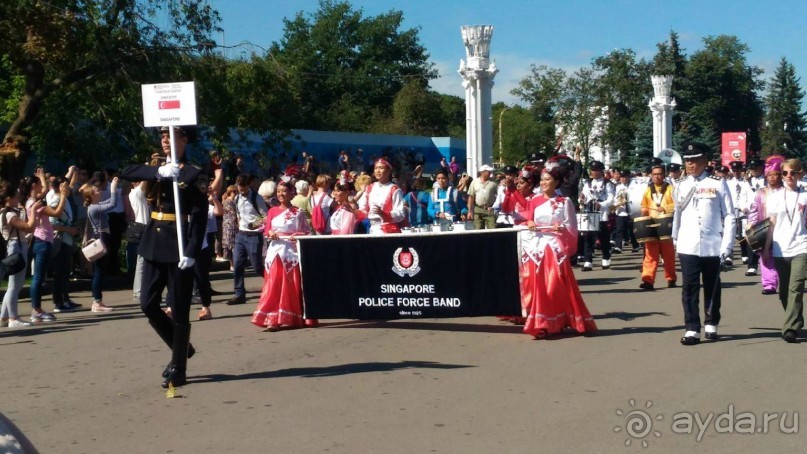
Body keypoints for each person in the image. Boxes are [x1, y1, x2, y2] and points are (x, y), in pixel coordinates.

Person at [120, 125, 208, 388]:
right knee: (147, 303)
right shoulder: (156, 167)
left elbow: (199, 216)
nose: (164, 141)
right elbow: (126, 172)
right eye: (161, 137)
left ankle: (178, 368)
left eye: (169, 136)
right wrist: (158, 171)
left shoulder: (194, 172)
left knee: (180, 309)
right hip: (154, 242)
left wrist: (191, 251)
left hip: (178, 244)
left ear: (183, 139)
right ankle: (181, 348)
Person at [521, 162, 597, 339]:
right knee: (538, 287)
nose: (543, 183)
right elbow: (529, 220)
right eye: (541, 180)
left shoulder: (564, 202)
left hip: (555, 247)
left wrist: (560, 227)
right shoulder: (534, 200)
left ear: (556, 182)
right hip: (537, 247)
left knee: (555, 286)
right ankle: (542, 323)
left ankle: (559, 319)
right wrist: (530, 223)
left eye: (547, 179)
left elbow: (571, 227)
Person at [671, 143, 735, 346]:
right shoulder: (680, 184)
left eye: (694, 160)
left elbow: (730, 215)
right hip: (688, 243)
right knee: (689, 287)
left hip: (712, 243)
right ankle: (691, 328)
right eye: (687, 160)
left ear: (704, 161)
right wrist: (675, 240)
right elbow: (677, 215)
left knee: (712, 285)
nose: (689, 164)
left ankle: (711, 322)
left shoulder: (717, 183)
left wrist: (727, 245)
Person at [251, 180, 313, 330]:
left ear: (292, 193)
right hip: (275, 252)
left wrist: (296, 235)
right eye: (278, 191)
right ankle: (271, 318)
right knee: (273, 284)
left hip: (290, 253)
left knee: (288, 286)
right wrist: (270, 232)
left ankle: (289, 316)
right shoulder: (272, 211)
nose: (281, 194)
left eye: (284, 191)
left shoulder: (297, 212)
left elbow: (306, 231)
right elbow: (267, 229)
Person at [762, 158, 806, 343]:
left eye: (793, 173)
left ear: (800, 173)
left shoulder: (805, 193)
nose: (789, 176)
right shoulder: (775, 196)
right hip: (780, 248)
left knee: (796, 288)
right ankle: (796, 319)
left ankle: (789, 328)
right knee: (784, 292)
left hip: (801, 246)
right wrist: (766, 248)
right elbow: (771, 223)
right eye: (785, 173)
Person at [23, 169, 70, 322]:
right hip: (43, 240)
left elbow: (43, 191)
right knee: (38, 278)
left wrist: (42, 177)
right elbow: (56, 212)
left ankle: (36, 309)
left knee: (38, 276)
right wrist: (63, 196)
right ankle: (36, 310)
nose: (41, 188)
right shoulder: (37, 204)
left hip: (39, 240)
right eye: (38, 185)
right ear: (33, 186)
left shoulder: (30, 201)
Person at [80, 176, 123, 313]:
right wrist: (114, 187)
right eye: (96, 191)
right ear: (91, 196)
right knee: (99, 271)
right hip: (101, 237)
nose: (99, 192)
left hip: (104, 236)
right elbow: (113, 204)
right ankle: (96, 301)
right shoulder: (94, 208)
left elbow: (110, 202)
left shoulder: (96, 206)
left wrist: (113, 190)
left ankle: (98, 300)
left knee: (100, 270)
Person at [0, 182, 39, 328]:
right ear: (8, 198)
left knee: (14, 285)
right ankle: (13, 318)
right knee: (14, 286)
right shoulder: (9, 214)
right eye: (16, 197)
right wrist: (34, 210)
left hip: (15, 246)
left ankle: (4, 317)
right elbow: (29, 228)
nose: (18, 199)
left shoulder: (7, 212)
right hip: (16, 247)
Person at [227, 174, 269, 305]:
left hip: (254, 235)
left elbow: (266, 216)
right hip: (241, 234)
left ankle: (272, 282)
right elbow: (239, 214)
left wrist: (255, 224)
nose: (243, 192)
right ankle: (239, 293)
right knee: (237, 264)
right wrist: (239, 226)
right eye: (240, 189)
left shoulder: (257, 198)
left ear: (248, 186)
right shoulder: (237, 198)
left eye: (245, 189)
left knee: (256, 266)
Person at [748, 155, 784, 295]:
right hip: (764, 228)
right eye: (769, 175)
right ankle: (769, 284)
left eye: (775, 175)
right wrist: (751, 224)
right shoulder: (761, 192)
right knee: (765, 255)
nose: (772, 178)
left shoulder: (786, 192)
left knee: (782, 256)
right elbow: (754, 210)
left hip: (782, 229)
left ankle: (784, 281)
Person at [639, 162, 677, 290]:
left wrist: (665, 208)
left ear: (664, 175)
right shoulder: (648, 190)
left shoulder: (671, 189)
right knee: (650, 254)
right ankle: (648, 280)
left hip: (666, 225)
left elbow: (677, 204)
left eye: (660, 174)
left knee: (668, 255)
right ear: (651, 175)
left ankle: (671, 278)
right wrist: (644, 211)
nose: (657, 177)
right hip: (651, 226)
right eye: (654, 174)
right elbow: (644, 205)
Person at [579, 160, 615, 271]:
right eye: (593, 170)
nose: (595, 172)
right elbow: (583, 195)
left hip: (601, 212)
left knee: (603, 236)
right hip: (589, 211)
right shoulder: (587, 183)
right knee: (588, 236)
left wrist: (602, 204)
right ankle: (588, 260)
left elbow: (611, 199)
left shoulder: (607, 183)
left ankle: (605, 257)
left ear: (601, 171)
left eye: (597, 170)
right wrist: (581, 198)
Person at [357, 158, 406, 234]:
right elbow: (364, 210)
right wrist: (354, 211)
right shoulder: (370, 188)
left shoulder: (394, 189)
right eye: (376, 168)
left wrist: (383, 213)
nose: (378, 171)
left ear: (389, 171)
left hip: (388, 230)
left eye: (381, 168)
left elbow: (400, 213)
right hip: (372, 229)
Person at [727, 161, 755, 269]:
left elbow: (750, 196)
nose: (736, 173)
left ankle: (746, 254)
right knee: (730, 233)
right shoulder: (728, 183)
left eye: (738, 170)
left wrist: (746, 207)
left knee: (744, 234)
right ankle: (729, 255)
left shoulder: (746, 183)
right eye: (734, 171)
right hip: (732, 210)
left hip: (744, 211)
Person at [466, 164, 498, 230]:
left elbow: (499, 196)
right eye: (488, 171)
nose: (490, 173)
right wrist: (469, 211)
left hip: (490, 209)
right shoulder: (474, 182)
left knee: (492, 230)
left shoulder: (494, 182)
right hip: (478, 209)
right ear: (483, 172)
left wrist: (494, 207)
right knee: (478, 230)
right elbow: (471, 197)